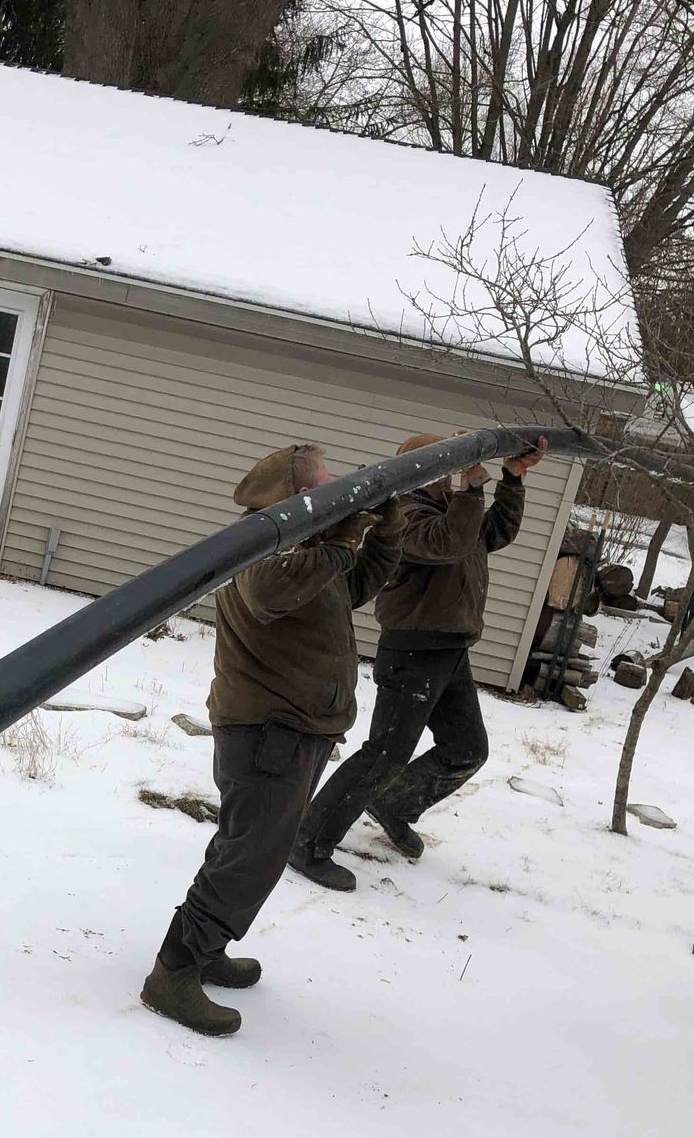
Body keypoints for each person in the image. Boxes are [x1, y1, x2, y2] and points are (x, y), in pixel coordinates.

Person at [142, 443, 403, 1036]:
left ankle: (201, 949)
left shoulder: (306, 551)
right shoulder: (262, 545)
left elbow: (355, 584)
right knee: (250, 855)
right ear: (293, 497)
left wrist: (384, 528)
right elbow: (268, 594)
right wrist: (338, 541)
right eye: (324, 486)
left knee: (247, 849)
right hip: (267, 731)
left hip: (291, 727)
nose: (336, 493)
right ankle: (173, 971)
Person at [288, 433, 548, 889]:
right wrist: (471, 490)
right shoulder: (406, 513)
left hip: (450, 652)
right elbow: (448, 543)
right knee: (384, 754)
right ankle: (307, 841)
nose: (449, 477)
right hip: (412, 652)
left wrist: (512, 478)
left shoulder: (450, 508)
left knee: (466, 749)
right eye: (444, 469)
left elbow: (495, 533)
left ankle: (395, 805)